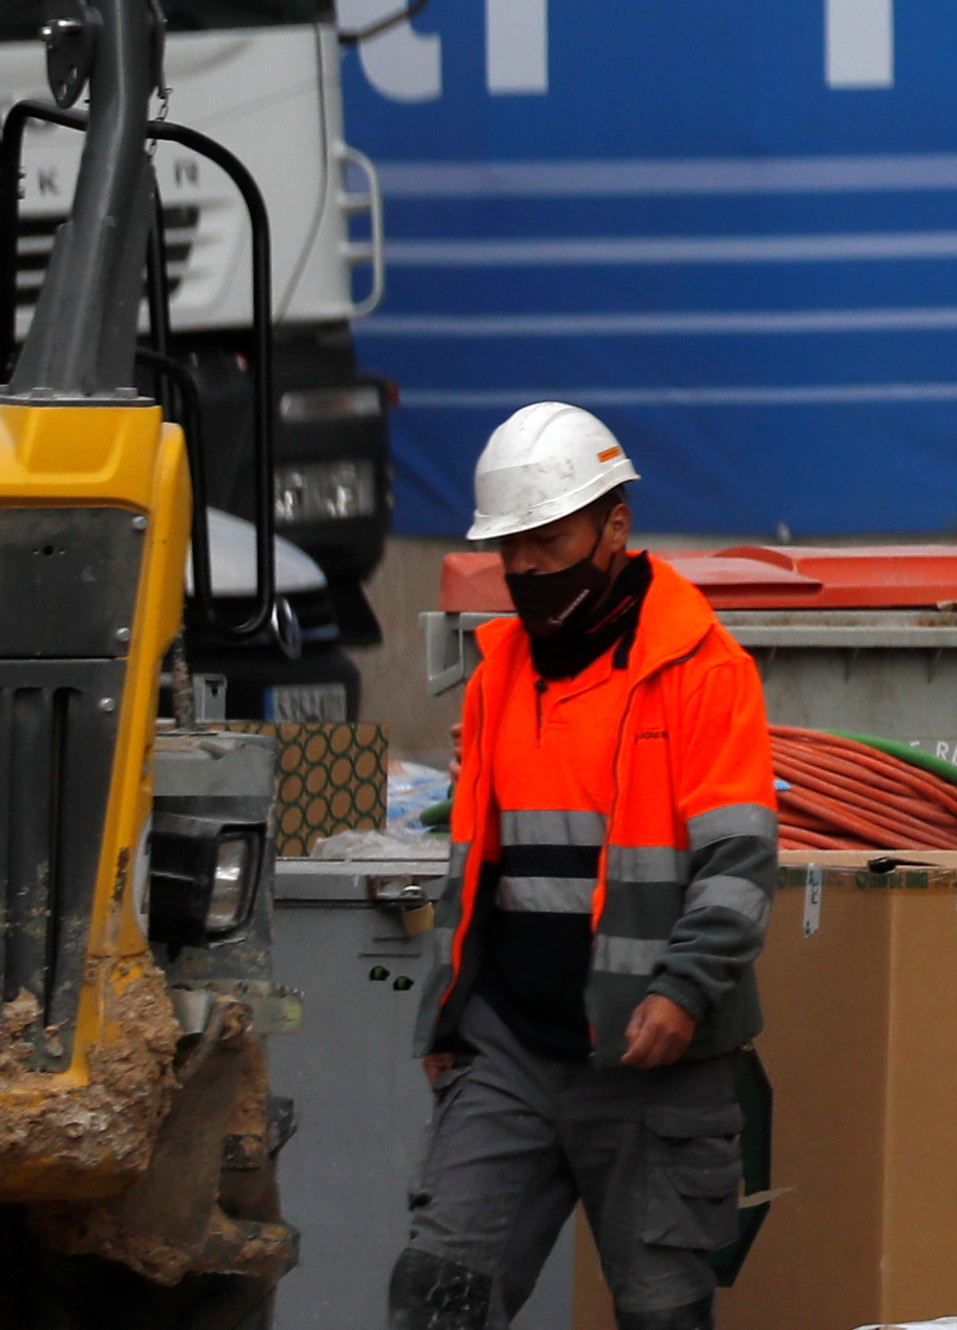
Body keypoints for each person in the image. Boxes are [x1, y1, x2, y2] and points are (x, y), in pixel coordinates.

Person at [391, 402, 777, 1330]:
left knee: (662, 1314)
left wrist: (683, 992)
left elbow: (737, 861)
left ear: (614, 526)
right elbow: (481, 863)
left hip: (651, 1060)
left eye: (547, 539)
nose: (524, 567)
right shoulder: (498, 677)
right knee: (436, 1295)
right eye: (510, 545)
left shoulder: (703, 672)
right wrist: (449, 1006)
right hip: (511, 1051)